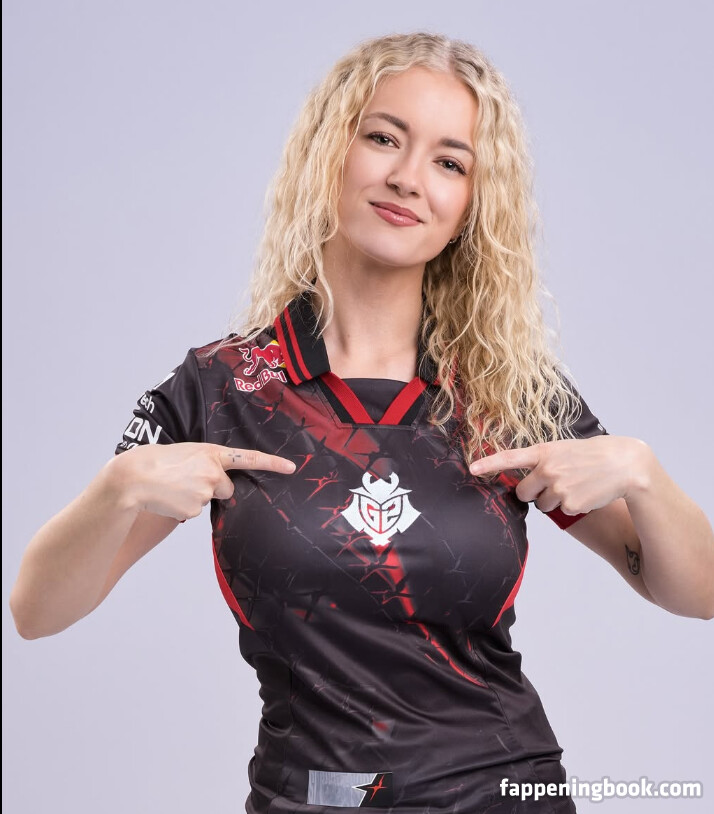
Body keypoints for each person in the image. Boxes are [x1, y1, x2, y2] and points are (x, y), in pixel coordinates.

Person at [10, 31, 713, 814]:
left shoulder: (508, 393)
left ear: (472, 207)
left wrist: (645, 476)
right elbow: (37, 611)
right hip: (308, 798)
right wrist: (115, 490)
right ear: (329, 153)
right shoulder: (223, 389)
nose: (408, 178)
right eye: (383, 138)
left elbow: (698, 592)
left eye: (450, 163)